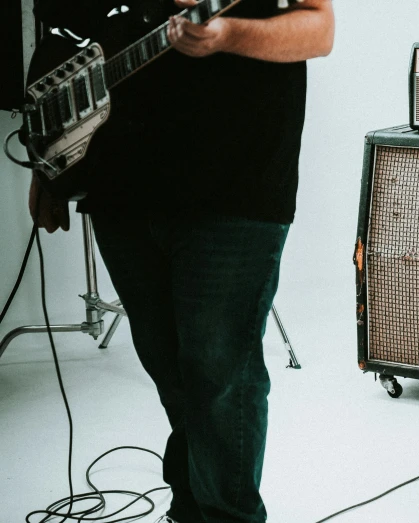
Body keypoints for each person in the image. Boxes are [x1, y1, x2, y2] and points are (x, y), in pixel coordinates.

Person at [28, 0, 335, 521]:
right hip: (121, 190)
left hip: (236, 185)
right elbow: (64, 36)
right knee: (169, 366)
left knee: (220, 374)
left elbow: (319, 28)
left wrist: (229, 34)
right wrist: (48, 166)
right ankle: (191, 505)